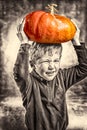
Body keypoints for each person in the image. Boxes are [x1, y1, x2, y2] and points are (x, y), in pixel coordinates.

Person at [13, 19, 87, 130]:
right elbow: (20, 74)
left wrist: (77, 43)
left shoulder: (62, 77)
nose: (52, 66)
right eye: (46, 61)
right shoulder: (29, 82)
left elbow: (84, 68)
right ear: (33, 64)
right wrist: (24, 45)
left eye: (56, 61)